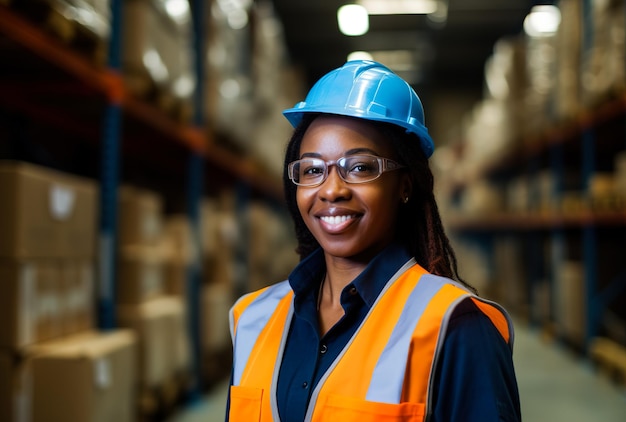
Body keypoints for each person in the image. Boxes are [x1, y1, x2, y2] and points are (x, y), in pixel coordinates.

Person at [227, 60, 521, 422]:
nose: (331, 190)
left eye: (360, 167)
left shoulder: (455, 327)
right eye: (313, 170)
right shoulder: (252, 318)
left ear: (406, 185)